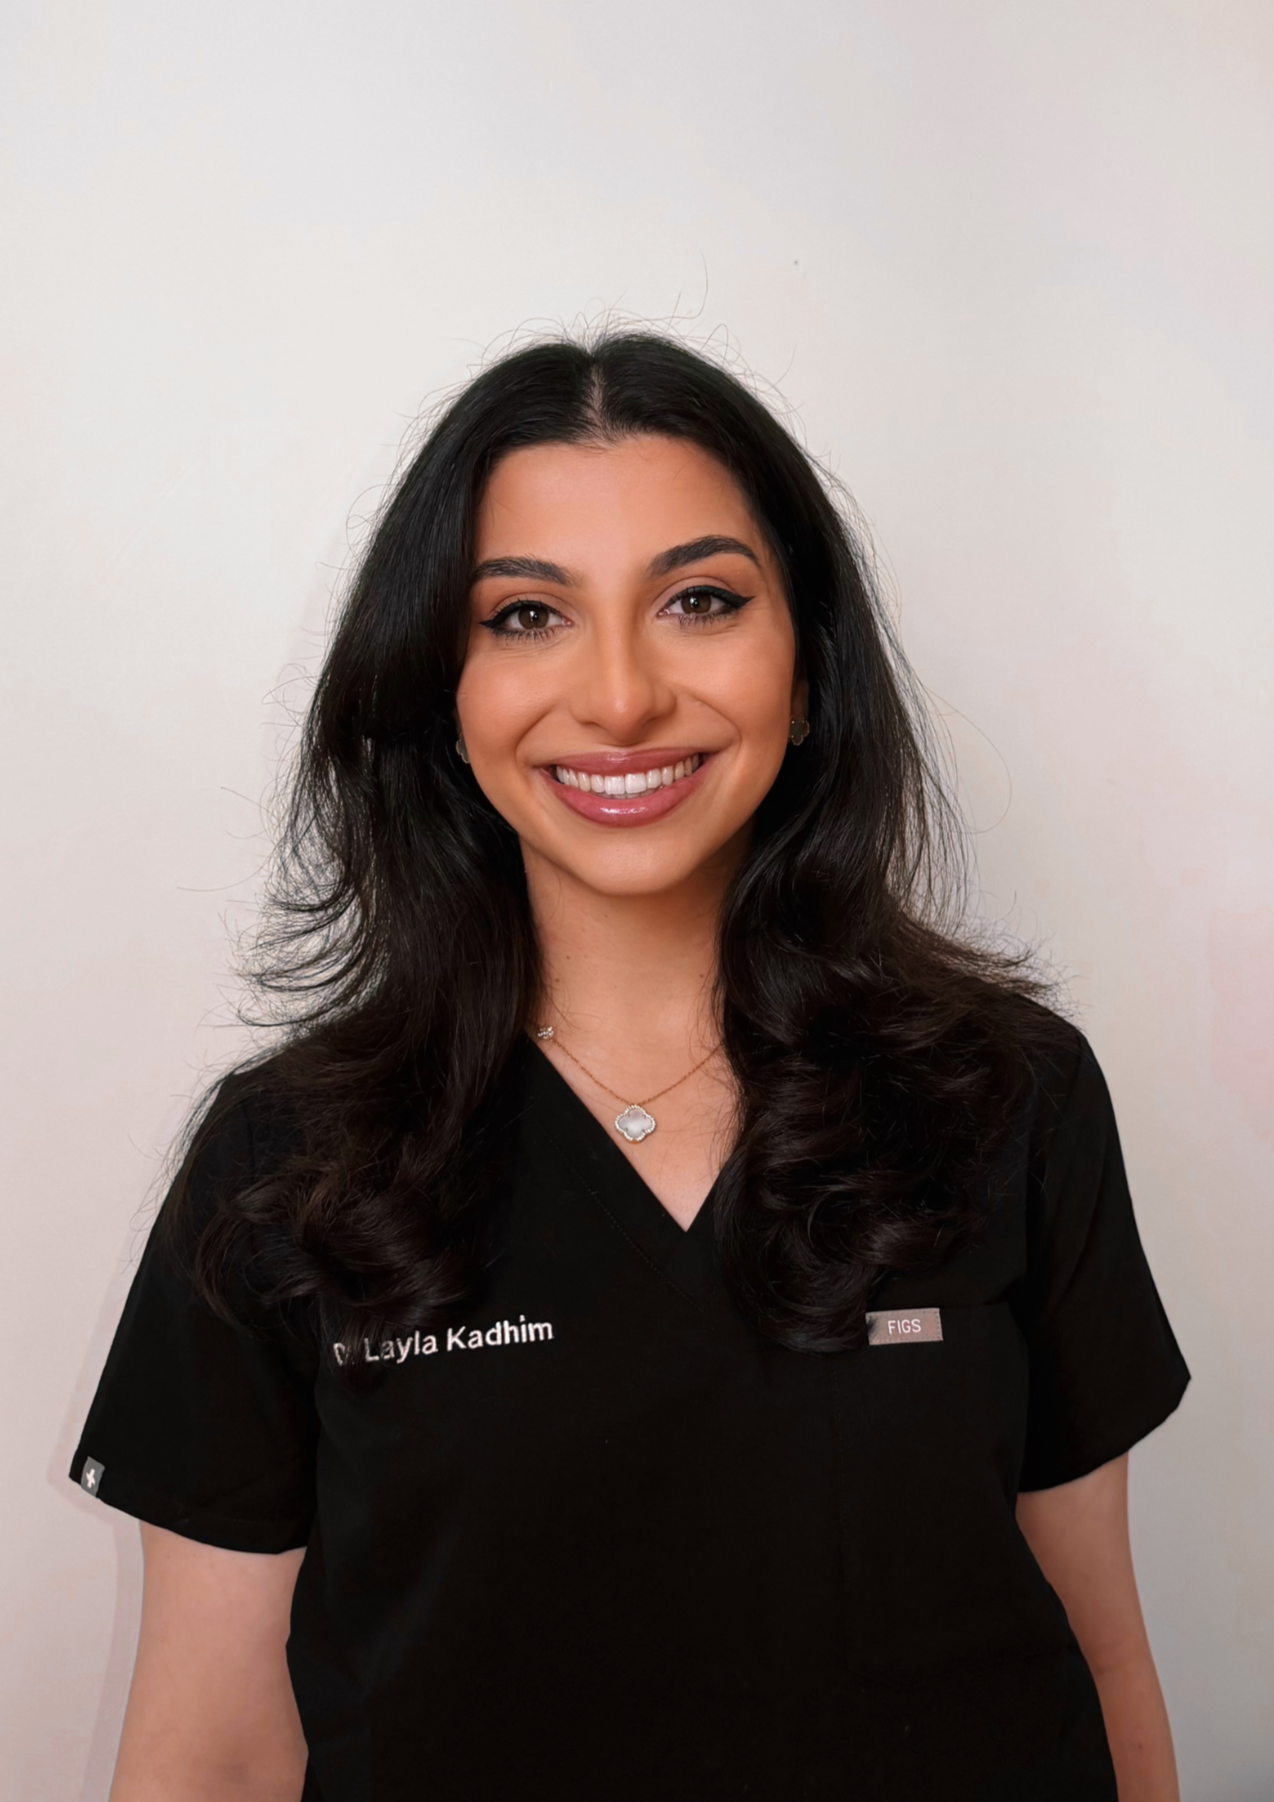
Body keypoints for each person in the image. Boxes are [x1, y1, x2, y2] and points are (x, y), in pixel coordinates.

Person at [72, 332, 1189, 1802]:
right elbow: (211, 1750)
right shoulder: (285, 1162)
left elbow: (1100, 1657)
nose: (617, 696)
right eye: (527, 615)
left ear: (807, 670)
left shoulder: (1008, 1097)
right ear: (438, 692)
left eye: (700, 600)